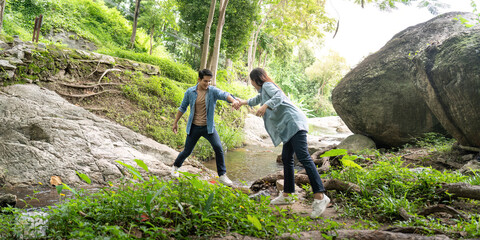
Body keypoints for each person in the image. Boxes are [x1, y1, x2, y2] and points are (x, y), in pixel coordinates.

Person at [233, 67, 330, 218]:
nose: (252, 84)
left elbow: (279, 96)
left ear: (254, 80)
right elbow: (255, 100)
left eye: (251, 81)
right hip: (289, 127)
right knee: (286, 158)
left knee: (304, 157)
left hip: (294, 123)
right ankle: (288, 194)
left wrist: (265, 106)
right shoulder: (263, 91)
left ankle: (320, 196)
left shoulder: (267, 86)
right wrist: (242, 102)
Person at [172, 69, 238, 186]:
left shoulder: (212, 91)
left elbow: (224, 94)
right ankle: (175, 167)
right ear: (199, 80)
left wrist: (233, 100)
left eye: (209, 81)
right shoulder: (190, 92)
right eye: (205, 81)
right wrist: (175, 122)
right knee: (187, 151)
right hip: (194, 127)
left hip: (208, 128)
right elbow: (182, 108)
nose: (207, 84)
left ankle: (222, 175)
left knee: (218, 148)